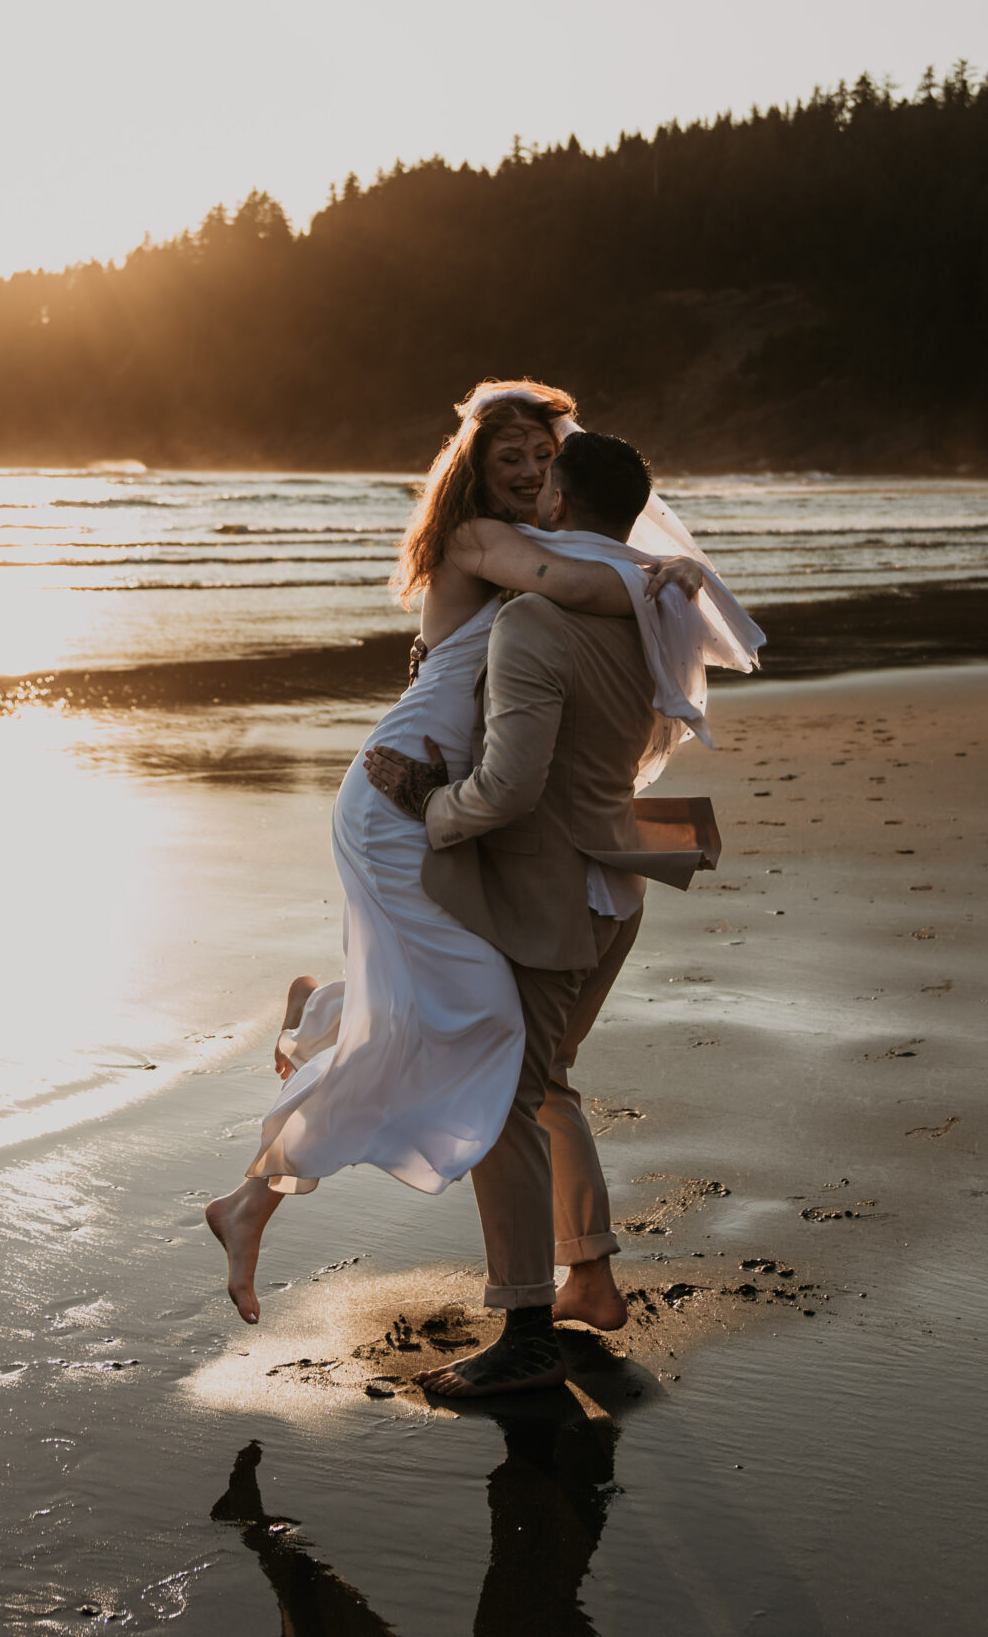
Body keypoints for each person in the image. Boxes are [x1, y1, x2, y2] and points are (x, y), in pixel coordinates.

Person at [205, 382, 762, 1325]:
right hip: (401, 795)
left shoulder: (544, 546)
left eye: (542, 458)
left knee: (487, 1038)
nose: (529, 471)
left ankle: (311, 1055)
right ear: (473, 465)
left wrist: (656, 573)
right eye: (509, 456)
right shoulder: (480, 542)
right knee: (478, 1031)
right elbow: (574, 583)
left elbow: (580, 576)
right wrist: (661, 576)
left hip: (456, 801)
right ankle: (275, 1152)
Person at [364, 428, 737, 1397]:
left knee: (500, 1109)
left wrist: (428, 802)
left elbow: (510, 789)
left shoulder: (534, 621)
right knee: (542, 1083)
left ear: (563, 506)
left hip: (549, 899)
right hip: (618, 886)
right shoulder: (652, 608)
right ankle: (591, 1278)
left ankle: (525, 1332)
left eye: (545, 487)